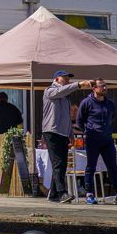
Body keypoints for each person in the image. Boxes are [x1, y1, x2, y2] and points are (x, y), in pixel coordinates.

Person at [77, 79, 117, 205]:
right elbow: (80, 120)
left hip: (107, 140)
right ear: (94, 89)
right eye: (102, 86)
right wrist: (88, 131)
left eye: (105, 86)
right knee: (91, 167)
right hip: (93, 139)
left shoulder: (110, 104)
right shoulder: (87, 102)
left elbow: (111, 117)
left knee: (113, 167)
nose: (105, 88)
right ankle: (89, 195)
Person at [42, 70, 93, 203]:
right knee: (58, 163)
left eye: (69, 78)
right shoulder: (50, 90)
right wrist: (79, 85)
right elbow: (60, 92)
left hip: (63, 133)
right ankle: (62, 193)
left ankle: (53, 194)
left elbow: (67, 117)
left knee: (62, 164)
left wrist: (70, 133)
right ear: (56, 79)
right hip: (51, 131)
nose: (68, 80)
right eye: (65, 78)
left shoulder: (66, 97)